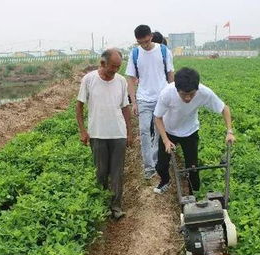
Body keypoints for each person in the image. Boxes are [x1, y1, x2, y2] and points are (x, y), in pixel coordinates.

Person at [153, 67, 235, 194]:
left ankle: (194, 195)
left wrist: (229, 132)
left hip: (190, 132)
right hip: (169, 131)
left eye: (191, 94)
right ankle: (165, 181)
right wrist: (165, 140)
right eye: (183, 94)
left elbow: (224, 109)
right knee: (161, 166)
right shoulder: (167, 93)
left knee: (193, 168)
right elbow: (157, 117)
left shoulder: (204, 92)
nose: (187, 98)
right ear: (176, 89)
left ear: (197, 88)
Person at [76, 48, 133, 220]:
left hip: (118, 133)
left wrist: (129, 132)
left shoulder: (121, 81)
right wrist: (83, 131)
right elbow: (79, 106)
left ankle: (116, 206)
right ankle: (102, 205)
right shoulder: (89, 79)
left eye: (118, 67)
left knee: (117, 172)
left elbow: (125, 107)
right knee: (101, 171)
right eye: (113, 67)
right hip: (98, 134)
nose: (115, 71)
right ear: (102, 63)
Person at [126, 24, 174, 180]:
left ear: (151, 36)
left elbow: (170, 74)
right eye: (141, 43)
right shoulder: (134, 54)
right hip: (144, 98)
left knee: (160, 132)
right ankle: (148, 167)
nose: (145, 45)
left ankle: (156, 160)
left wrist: (173, 96)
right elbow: (131, 79)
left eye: (147, 41)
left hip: (162, 97)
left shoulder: (163, 51)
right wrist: (134, 102)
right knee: (145, 131)